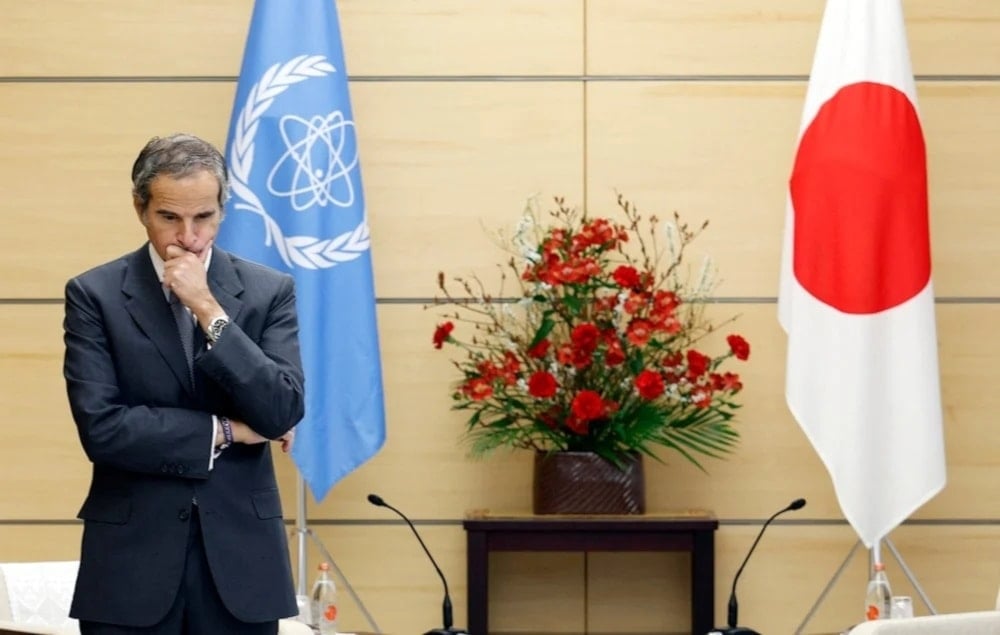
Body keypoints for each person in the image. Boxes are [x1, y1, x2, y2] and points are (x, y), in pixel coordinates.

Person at [62, 133, 304, 634]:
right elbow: (103, 429)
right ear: (140, 208)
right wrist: (228, 431)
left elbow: (280, 411)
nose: (189, 236)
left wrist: (208, 309)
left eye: (205, 218)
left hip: (242, 565)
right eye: (170, 217)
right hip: (131, 563)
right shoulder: (95, 295)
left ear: (223, 209)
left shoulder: (269, 292)